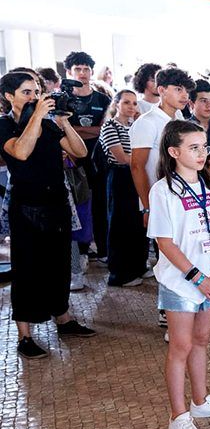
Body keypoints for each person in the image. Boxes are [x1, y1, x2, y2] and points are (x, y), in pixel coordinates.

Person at [147, 120, 210, 429]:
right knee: (181, 346)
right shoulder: (163, 190)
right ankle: (178, 416)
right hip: (182, 282)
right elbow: (166, 242)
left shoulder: (209, 186)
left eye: (204, 147)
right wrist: (198, 278)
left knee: (202, 340)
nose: (202, 153)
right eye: (193, 147)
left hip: (209, 280)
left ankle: (200, 402)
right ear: (174, 152)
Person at [1, 71, 97, 359]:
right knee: (28, 269)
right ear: (9, 97)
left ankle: (63, 318)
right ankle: (25, 335)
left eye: (35, 91)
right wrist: (36, 117)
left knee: (58, 265)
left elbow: (79, 152)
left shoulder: (48, 124)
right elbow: (20, 152)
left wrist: (64, 122)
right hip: (26, 208)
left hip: (56, 203)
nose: (33, 97)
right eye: (26, 92)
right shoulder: (5, 126)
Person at [130, 68, 194, 225]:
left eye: (186, 90)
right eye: (178, 89)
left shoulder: (179, 116)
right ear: (161, 90)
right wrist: (147, 207)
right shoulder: (147, 122)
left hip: (181, 194)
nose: (185, 95)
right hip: (158, 198)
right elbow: (137, 166)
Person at [64, 52, 112, 261]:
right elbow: (63, 131)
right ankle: (81, 251)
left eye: (86, 69)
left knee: (101, 204)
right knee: (76, 204)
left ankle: (103, 249)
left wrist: (75, 129)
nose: (82, 73)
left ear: (92, 72)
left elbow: (106, 129)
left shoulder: (103, 99)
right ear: (69, 72)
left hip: (98, 159)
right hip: (71, 160)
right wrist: (92, 129)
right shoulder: (63, 100)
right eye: (78, 69)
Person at [100, 89, 149, 287]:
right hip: (120, 177)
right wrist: (142, 161)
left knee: (138, 222)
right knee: (121, 224)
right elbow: (121, 157)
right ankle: (120, 273)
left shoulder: (136, 125)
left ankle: (138, 266)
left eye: (135, 103)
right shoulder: (110, 126)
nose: (131, 107)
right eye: (127, 102)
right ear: (116, 104)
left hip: (137, 174)